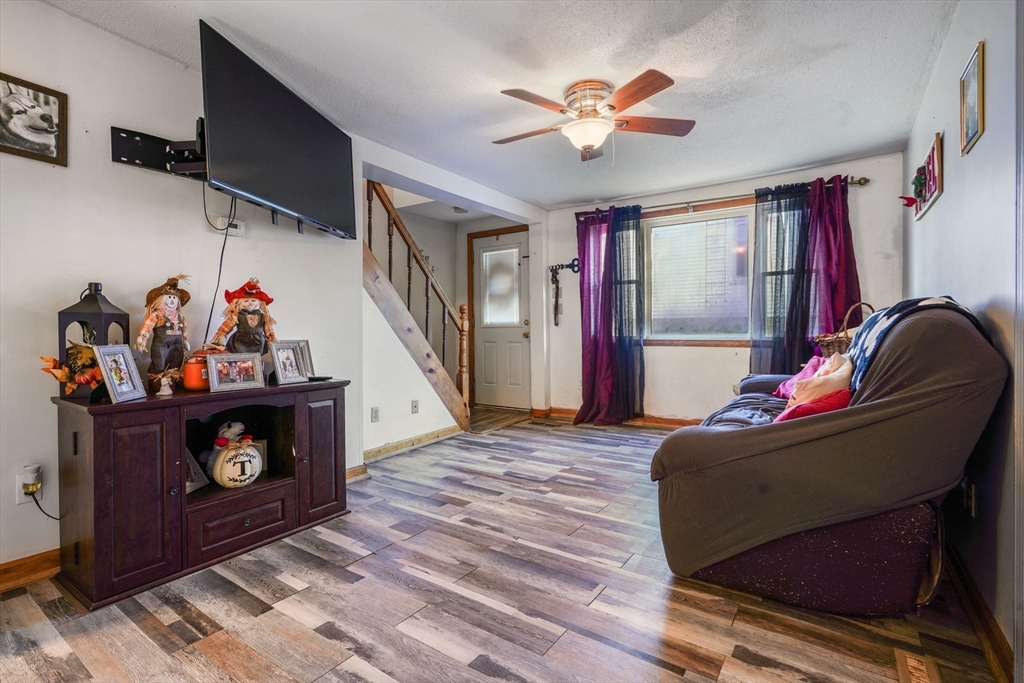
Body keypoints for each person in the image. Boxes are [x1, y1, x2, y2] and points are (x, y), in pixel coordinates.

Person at [135, 275, 190, 393]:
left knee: (176, 361)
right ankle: (157, 381)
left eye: (174, 298)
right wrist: (142, 337)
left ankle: (172, 380)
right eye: (169, 297)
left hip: (177, 344)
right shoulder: (157, 314)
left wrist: (185, 341)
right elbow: (147, 326)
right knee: (159, 361)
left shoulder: (180, 316)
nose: (172, 300)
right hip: (162, 344)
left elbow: (184, 329)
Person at [212, 278, 277, 354]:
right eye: (246, 301)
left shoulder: (264, 317)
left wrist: (271, 339)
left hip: (258, 343)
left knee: (257, 360)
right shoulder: (236, 315)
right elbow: (226, 327)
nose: (250, 303)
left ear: (261, 304)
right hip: (240, 343)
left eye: (253, 300)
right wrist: (222, 336)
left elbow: (268, 329)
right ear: (238, 304)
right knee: (240, 360)